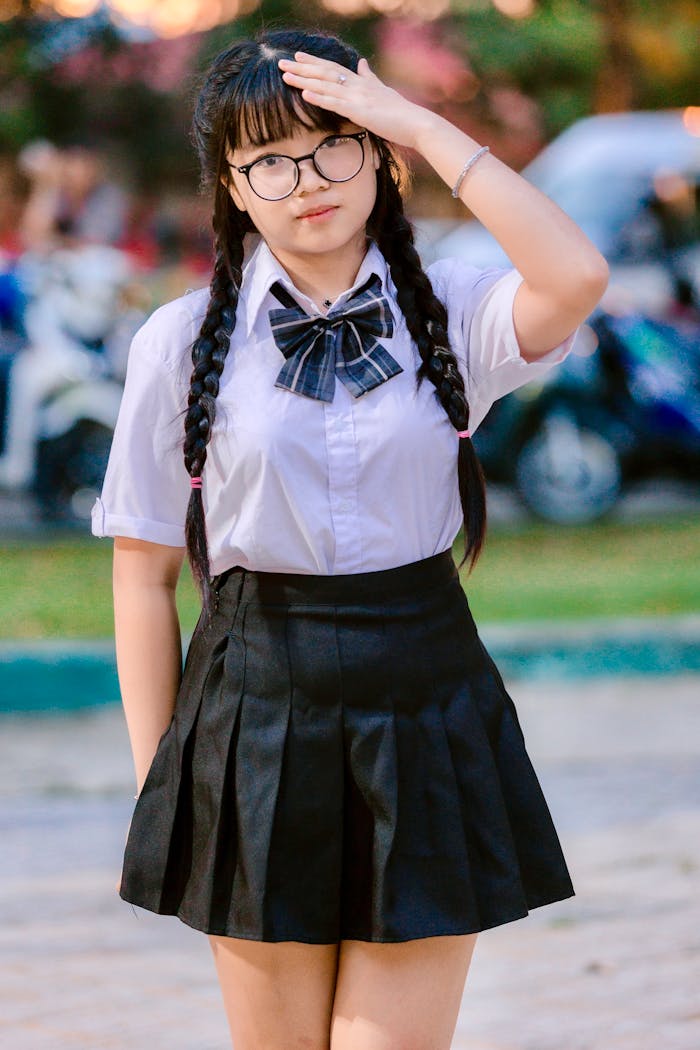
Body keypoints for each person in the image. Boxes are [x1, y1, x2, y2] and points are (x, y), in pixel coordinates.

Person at [90, 28, 608, 1050]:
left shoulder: (453, 308)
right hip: (251, 704)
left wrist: (413, 118)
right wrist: (166, 784)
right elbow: (143, 574)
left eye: (331, 142)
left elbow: (576, 274)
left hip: (423, 697)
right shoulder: (179, 342)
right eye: (268, 160)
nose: (306, 180)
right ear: (231, 188)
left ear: (376, 154)